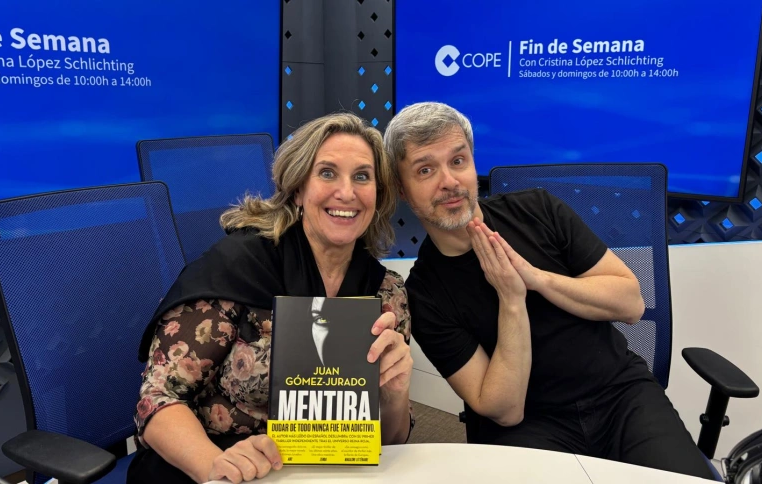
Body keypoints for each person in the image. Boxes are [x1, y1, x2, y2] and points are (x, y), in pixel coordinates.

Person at [382, 102, 715, 479]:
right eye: (425, 170)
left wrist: (538, 279)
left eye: (458, 161)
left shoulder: (538, 209)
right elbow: (505, 409)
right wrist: (511, 299)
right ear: (403, 190)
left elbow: (631, 303)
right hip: (528, 424)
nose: (449, 181)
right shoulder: (423, 293)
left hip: (620, 394)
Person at [127, 113, 414, 484]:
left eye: (362, 176)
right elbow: (158, 399)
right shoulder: (237, 269)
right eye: (327, 173)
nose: (347, 192)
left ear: (377, 194)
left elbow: (391, 444)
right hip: (214, 467)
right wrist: (215, 464)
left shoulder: (385, 293)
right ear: (298, 189)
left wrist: (394, 394)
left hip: (324, 473)